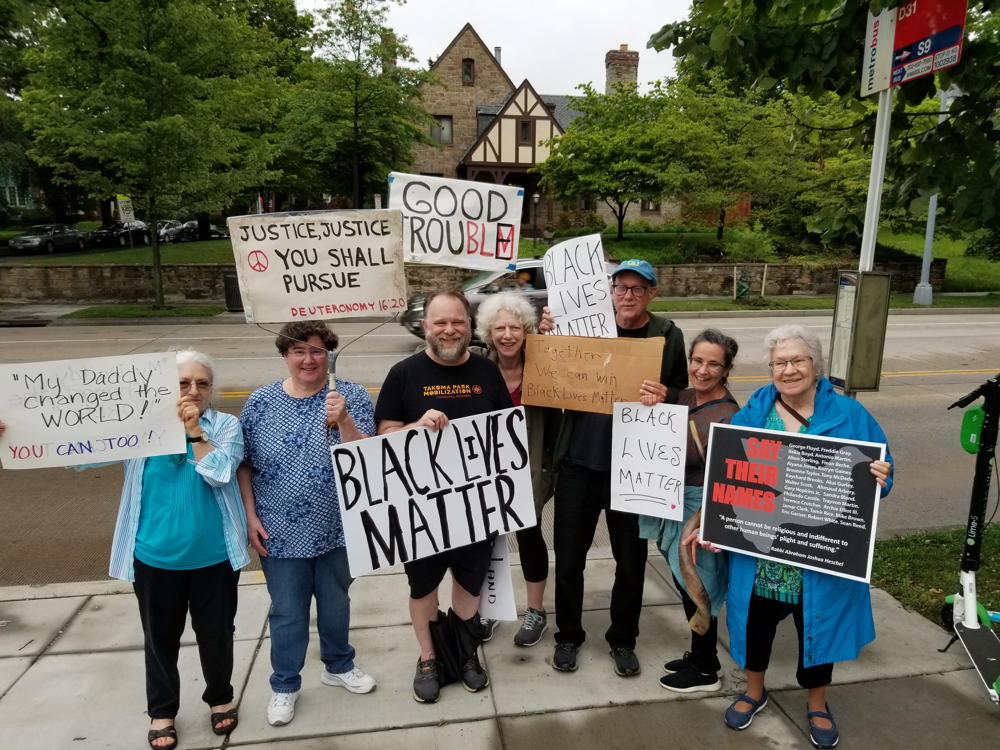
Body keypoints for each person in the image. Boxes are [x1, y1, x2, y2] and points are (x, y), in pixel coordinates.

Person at [0, 350, 248, 750]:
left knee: (217, 635)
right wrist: (18, 432)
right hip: (154, 558)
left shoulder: (225, 426)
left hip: (214, 559)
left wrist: (195, 432)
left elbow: (220, 473)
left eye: (202, 383)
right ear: (166, 387)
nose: (193, 390)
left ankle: (220, 697)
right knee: (159, 638)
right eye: (183, 382)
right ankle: (162, 710)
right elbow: (78, 456)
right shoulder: (137, 427)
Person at [709, 324, 893, 749]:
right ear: (770, 369)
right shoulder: (755, 412)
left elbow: (882, 470)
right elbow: (728, 472)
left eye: (797, 361)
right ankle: (753, 692)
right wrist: (717, 520)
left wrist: (881, 477)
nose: (788, 370)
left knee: (819, 628)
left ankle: (817, 703)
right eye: (779, 363)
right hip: (763, 550)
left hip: (819, 555)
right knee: (755, 625)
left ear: (815, 365)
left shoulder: (850, 415)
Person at [543, 258, 688, 677]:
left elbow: (681, 388)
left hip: (633, 468)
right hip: (578, 464)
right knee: (569, 560)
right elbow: (550, 364)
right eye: (621, 288)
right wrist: (548, 328)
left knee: (631, 562)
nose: (628, 296)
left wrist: (668, 393)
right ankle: (568, 636)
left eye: (638, 289)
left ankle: (623, 640)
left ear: (652, 293)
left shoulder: (667, 335)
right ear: (609, 291)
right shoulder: (585, 325)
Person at [375, 289, 514, 703]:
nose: (450, 330)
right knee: (423, 589)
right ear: (425, 327)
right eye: (441, 323)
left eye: (458, 322)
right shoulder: (404, 373)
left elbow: (506, 434)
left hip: (476, 508)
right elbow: (382, 436)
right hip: (421, 511)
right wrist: (415, 426)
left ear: (470, 326)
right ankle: (429, 657)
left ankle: (465, 653)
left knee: (469, 587)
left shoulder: (487, 373)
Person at [238, 322, 376, 728]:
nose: (308, 360)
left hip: (338, 527)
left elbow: (370, 456)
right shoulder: (260, 402)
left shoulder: (348, 395)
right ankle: (284, 684)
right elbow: (243, 463)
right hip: (278, 530)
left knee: (336, 602)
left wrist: (345, 421)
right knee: (288, 612)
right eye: (299, 352)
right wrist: (250, 516)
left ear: (328, 355)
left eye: (317, 351)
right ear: (285, 355)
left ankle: (338, 664)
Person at [638, 329, 740, 693]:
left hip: (702, 505)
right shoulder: (682, 397)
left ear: (727, 369)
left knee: (700, 583)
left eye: (714, 364)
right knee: (685, 581)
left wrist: (709, 522)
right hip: (673, 497)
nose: (703, 369)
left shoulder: (728, 414)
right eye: (698, 360)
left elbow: (729, 476)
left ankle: (705, 669)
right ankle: (700, 655)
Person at [474, 292, 561, 647]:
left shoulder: (544, 365)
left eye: (515, 327)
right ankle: (489, 608)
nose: (507, 335)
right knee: (484, 540)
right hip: (485, 469)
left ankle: (535, 611)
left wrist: (555, 336)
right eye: (499, 328)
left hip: (532, 466)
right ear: (488, 333)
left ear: (527, 331)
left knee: (528, 534)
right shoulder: (477, 368)